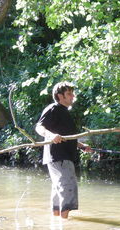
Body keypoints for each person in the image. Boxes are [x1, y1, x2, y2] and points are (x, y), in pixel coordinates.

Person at [35, 81, 91, 219]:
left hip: (61, 157)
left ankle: (57, 221)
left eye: (72, 93)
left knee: (59, 188)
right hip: (58, 156)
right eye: (69, 94)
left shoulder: (64, 112)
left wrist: (81, 146)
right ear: (60, 96)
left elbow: (67, 137)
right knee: (68, 187)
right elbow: (39, 127)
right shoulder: (53, 108)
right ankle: (65, 222)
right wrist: (51, 135)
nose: (73, 96)